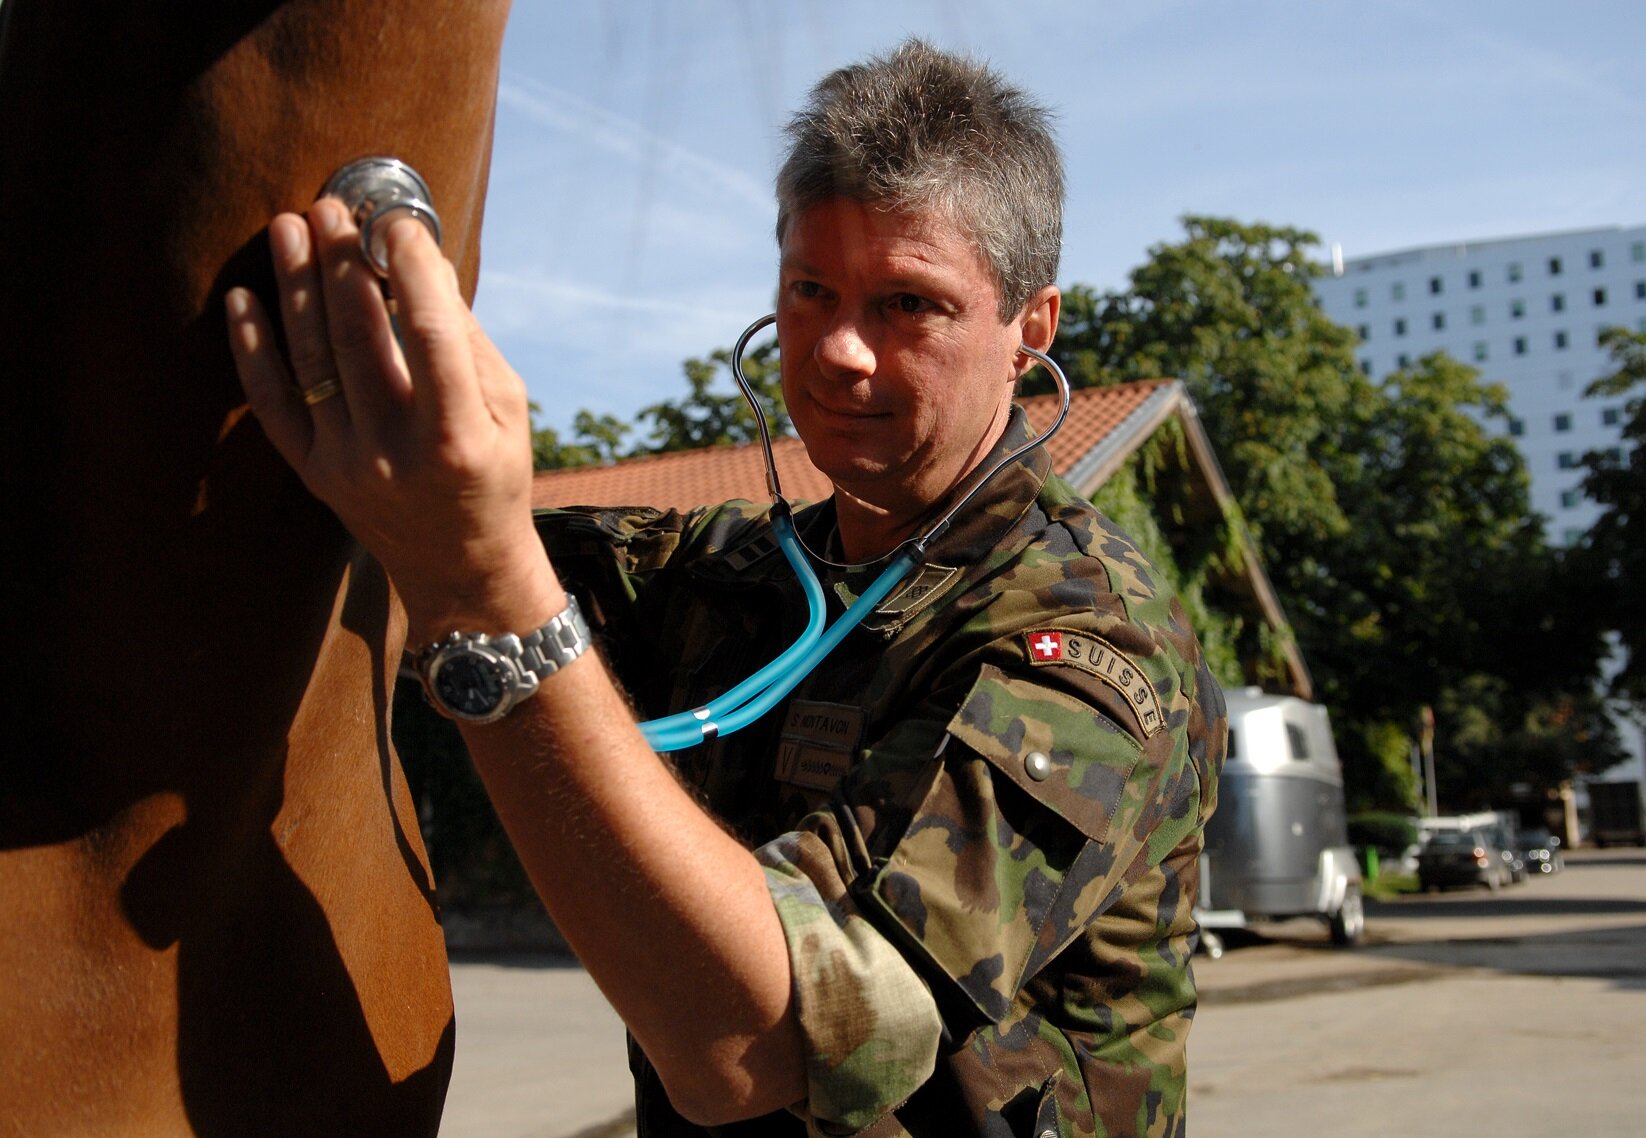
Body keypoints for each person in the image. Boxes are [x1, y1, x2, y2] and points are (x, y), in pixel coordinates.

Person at [228, 38, 1225, 1138]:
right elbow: (397, 536)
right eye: (810, 288)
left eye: (908, 304)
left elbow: (768, 1047)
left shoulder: (1090, 640)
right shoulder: (724, 574)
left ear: (1028, 329)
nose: (840, 348)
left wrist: (484, 588)